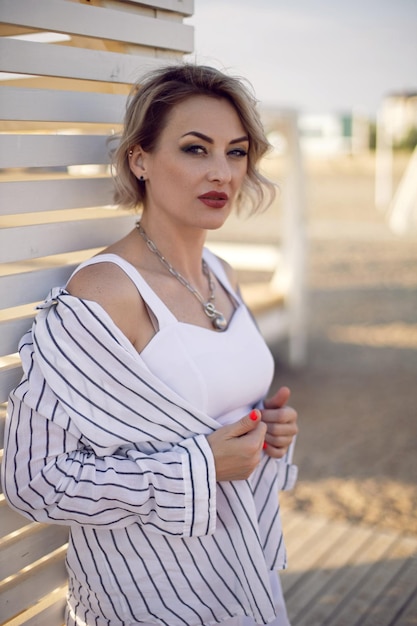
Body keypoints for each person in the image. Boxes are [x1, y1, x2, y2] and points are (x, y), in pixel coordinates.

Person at [2, 64, 298, 626]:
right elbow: (35, 481)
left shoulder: (222, 272)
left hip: (243, 577)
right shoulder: (107, 292)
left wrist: (268, 430)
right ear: (140, 159)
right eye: (195, 149)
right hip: (152, 595)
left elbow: (209, 416)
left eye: (236, 153)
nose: (222, 173)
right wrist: (200, 466)